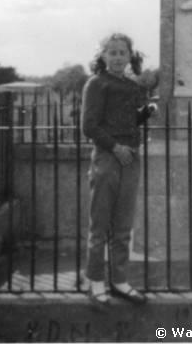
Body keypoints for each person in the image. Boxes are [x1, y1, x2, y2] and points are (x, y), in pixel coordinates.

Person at [81, 33, 156, 306]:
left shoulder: (131, 86)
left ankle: (120, 281)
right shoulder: (96, 84)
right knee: (100, 226)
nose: (116, 57)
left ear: (129, 56)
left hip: (131, 159)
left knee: (123, 226)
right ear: (102, 56)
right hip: (108, 158)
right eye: (111, 52)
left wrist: (145, 113)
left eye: (122, 52)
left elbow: (129, 121)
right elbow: (89, 126)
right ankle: (96, 281)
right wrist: (115, 148)